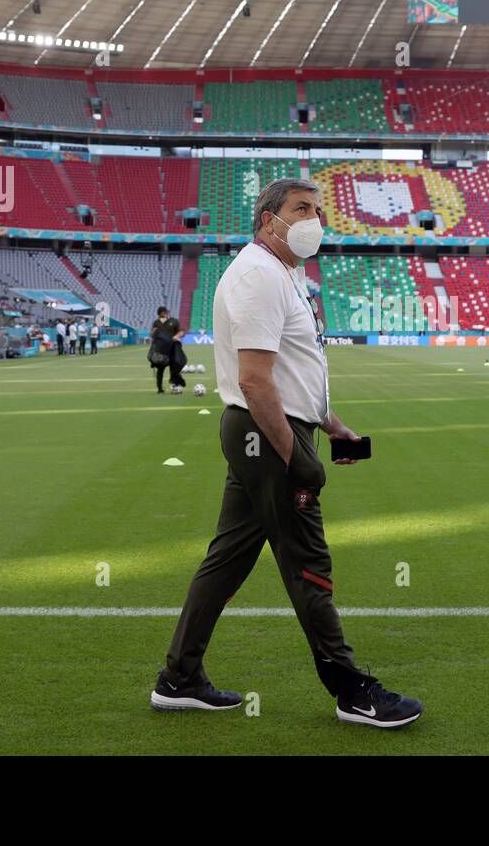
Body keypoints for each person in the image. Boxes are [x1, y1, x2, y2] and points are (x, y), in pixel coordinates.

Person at [152, 178, 422, 728]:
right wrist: (295, 455)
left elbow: (297, 370)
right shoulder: (257, 275)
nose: (313, 220)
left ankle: (179, 678)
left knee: (226, 562)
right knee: (308, 563)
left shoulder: (283, 274)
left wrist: (333, 425)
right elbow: (255, 381)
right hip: (265, 434)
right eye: (301, 209)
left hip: (270, 431)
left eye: (317, 210)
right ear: (268, 218)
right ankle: (351, 690)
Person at [149, 306, 185, 394]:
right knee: (160, 369)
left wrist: (177, 336)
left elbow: (181, 332)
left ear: (166, 313)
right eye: (161, 315)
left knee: (174, 368)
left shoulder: (174, 321)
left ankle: (175, 386)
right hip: (160, 350)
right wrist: (153, 332)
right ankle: (160, 388)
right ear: (159, 315)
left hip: (172, 349)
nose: (163, 316)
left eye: (164, 313)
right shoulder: (156, 323)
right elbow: (152, 335)